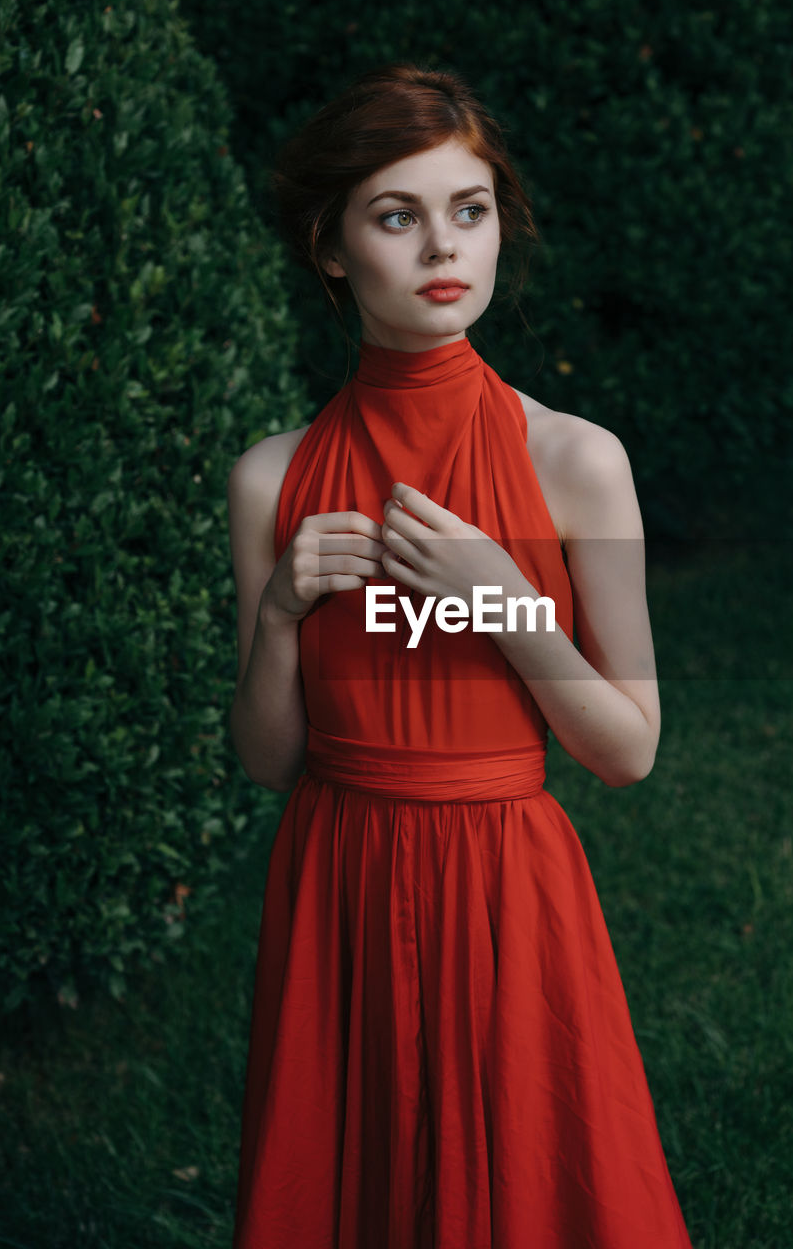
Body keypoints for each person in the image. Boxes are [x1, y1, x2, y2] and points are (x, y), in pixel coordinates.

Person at [227, 61, 692, 1248]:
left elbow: (630, 750)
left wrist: (505, 603)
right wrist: (280, 613)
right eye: (398, 215)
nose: (444, 246)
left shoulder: (576, 461)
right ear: (333, 250)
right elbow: (270, 759)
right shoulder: (273, 477)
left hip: (506, 876)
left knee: (531, 1178)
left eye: (468, 210)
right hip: (342, 870)